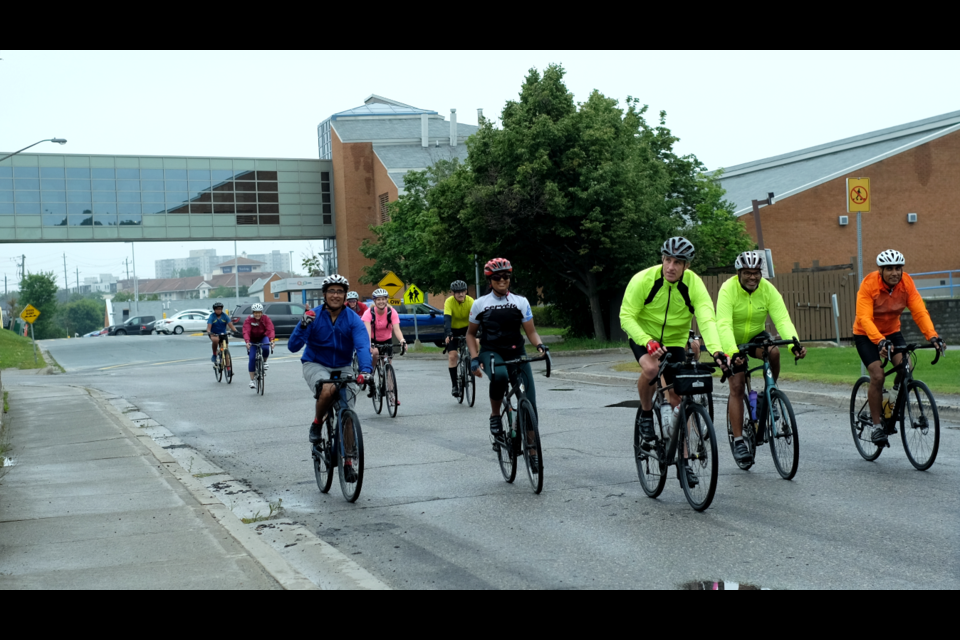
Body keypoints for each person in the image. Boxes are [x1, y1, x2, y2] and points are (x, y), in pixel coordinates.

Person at [619, 237, 728, 487]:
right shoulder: (643, 280)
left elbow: (707, 319)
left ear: (686, 266)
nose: (671, 266)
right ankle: (647, 416)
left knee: (679, 400)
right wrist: (646, 340)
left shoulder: (694, 285)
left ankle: (684, 462)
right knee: (652, 368)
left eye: (678, 262)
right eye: (668, 260)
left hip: (675, 340)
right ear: (662, 260)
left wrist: (717, 351)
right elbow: (626, 315)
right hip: (643, 335)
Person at [716, 250, 807, 465]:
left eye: (756, 273)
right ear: (739, 272)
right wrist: (732, 351)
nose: (753, 277)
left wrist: (794, 344)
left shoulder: (767, 289)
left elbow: (782, 319)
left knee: (773, 350)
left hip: (755, 336)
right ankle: (739, 441)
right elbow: (723, 324)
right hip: (731, 340)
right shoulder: (728, 289)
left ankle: (770, 391)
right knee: (737, 386)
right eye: (748, 272)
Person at [853, 250, 946, 446]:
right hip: (866, 334)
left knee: (906, 367)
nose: (894, 272)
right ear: (881, 270)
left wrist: (933, 336)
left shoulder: (906, 284)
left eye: (898, 268)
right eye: (889, 269)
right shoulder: (869, 284)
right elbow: (864, 318)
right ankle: (877, 427)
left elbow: (919, 311)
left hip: (891, 332)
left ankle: (892, 397)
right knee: (877, 376)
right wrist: (879, 340)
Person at [288, 274, 373, 482]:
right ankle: (317, 423)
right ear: (324, 294)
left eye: (340, 291)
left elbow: (362, 345)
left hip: (343, 365)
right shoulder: (313, 316)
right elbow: (293, 347)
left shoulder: (353, 319)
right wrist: (303, 325)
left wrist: (365, 371)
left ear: (345, 296)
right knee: (327, 389)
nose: (336, 295)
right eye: (332, 291)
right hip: (315, 363)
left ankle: (348, 462)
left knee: (348, 412)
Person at [467, 258, 547, 447]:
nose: (502, 280)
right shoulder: (480, 304)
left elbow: (531, 331)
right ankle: (495, 416)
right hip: (491, 352)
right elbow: (470, 335)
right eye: (497, 277)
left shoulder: (521, 302)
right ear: (490, 281)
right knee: (500, 376)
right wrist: (474, 359)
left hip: (516, 352)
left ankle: (532, 452)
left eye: (506, 276)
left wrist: (540, 346)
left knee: (530, 402)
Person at [361, 289, 407, 381]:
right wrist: (369, 344)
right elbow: (367, 331)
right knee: (375, 353)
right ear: (374, 301)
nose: (381, 301)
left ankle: (390, 389)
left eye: (383, 299)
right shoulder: (369, 313)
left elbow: (396, 329)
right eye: (378, 299)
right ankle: (371, 373)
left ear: (386, 300)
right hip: (373, 340)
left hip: (387, 340)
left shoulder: (392, 312)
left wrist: (402, 340)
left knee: (388, 364)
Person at [443, 280, 475, 397]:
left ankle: (471, 361)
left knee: (476, 341)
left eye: (462, 291)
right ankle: (454, 386)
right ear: (453, 293)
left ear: (466, 291)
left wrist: (480, 329)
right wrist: (448, 333)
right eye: (457, 292)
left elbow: (477, 318)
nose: (460, 294)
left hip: (467, 329)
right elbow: (447, 319)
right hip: (453, 330)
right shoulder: (449, 302)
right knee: (453, 356)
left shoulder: (471, 301)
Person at [243, 302, 276, 389]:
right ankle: (252, 380)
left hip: (262, 337)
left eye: (259, 312)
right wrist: (247, 341)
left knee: (265, 347)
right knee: (252, 358)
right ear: (253, 313)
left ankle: (264, 362)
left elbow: (270, 329)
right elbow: (246, 331)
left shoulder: (265, 318)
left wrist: (272, 340)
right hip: (252, 340)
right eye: (255, 312)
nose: (257, 314)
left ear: (261, 312)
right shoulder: (249, 320)